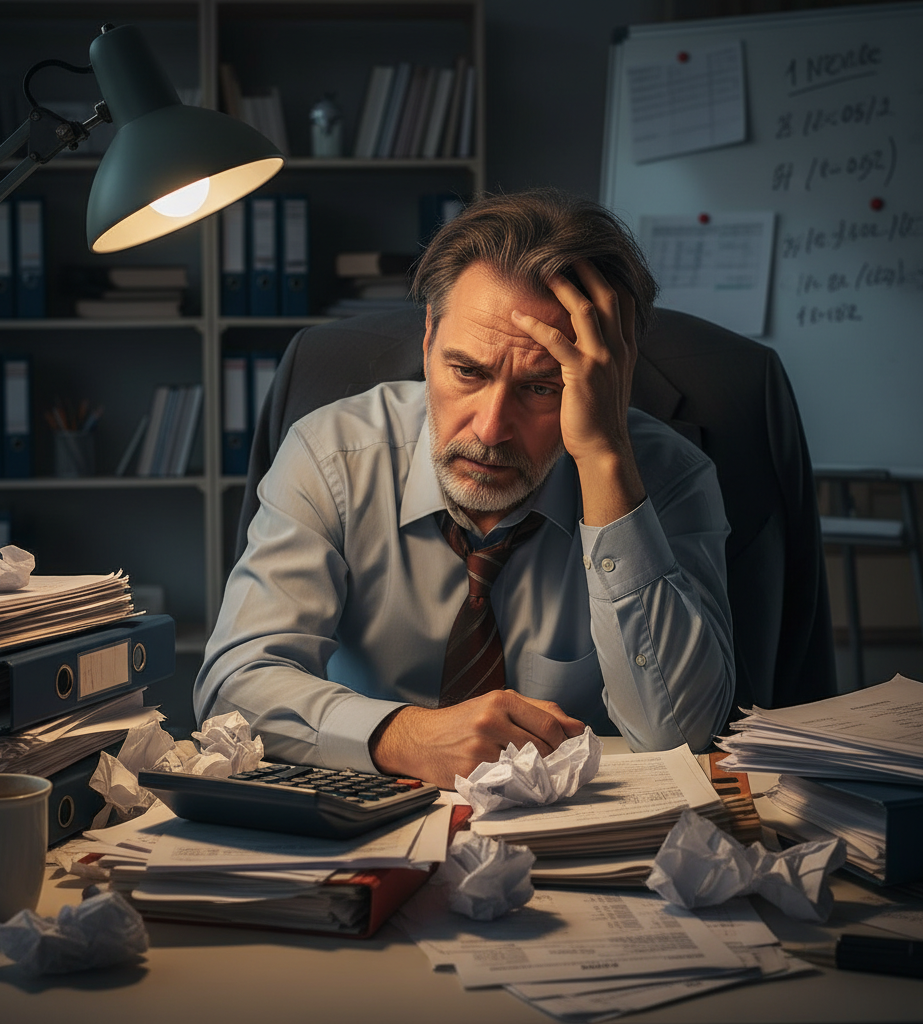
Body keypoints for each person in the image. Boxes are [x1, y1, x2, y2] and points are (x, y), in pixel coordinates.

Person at [195, 189, 735, 790]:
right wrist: (403, 735)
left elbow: (681, 737)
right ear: (428, 340)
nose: (490, 429)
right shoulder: (332, 457)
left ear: (606, 379)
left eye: (541, 387)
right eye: (468, 372)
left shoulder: (668, 480)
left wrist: (607, 461)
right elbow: (233, 690)